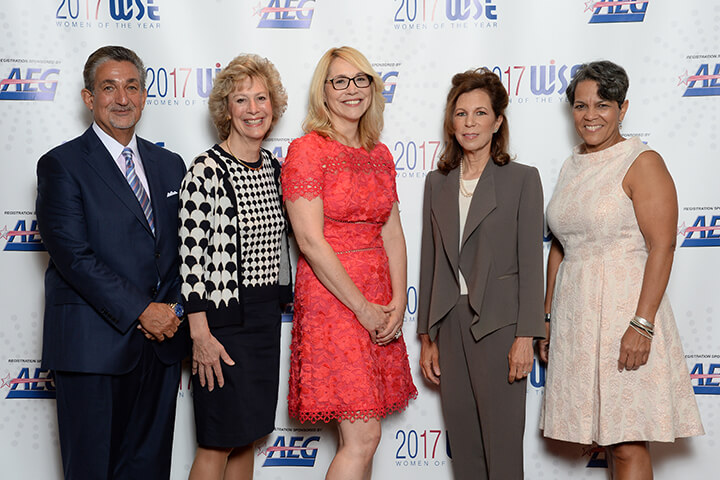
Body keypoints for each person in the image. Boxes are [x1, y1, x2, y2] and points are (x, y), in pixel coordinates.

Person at [539, 60, 704, 479]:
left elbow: (663, 245)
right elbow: (561, 245)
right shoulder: (572, 163)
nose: (590, 115)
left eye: (602, 105)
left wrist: (643, 324)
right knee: (604, 437)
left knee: (628, 441)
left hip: (624, 314)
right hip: (578, 317)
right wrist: (547, 316)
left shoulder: (642, 161)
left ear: (623, 108)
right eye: (580, 106)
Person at [35, 45, 187, 479]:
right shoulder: (61, 164)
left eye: (132, 87)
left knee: (149, 470)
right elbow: (73, 256)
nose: (122, 98)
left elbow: (182, 252)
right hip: (93, 350)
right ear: (88, 98)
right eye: (109, 87)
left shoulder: (169, 165)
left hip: (160, 350)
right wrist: (143, 311)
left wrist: (172, 313)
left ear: (144, 95)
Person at [281, 46, 417, 480]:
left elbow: (392, 233)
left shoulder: (379, 154)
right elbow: (310, 241)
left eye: (362, 80)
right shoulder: (307, 150)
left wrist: (397, 301)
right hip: (334, 301)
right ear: (324, 91)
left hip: (379, 297)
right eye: (340, 80)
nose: (352, 90)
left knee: (364, 438)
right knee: (362, 437)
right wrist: (362, 307)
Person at [417, 68, 545, 480]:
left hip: (501, 327)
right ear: (450, 122)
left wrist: (526, 335)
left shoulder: (522, 179)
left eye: (480, 113)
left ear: (498, 121)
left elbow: (531, 261)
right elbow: (431, 259)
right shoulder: (437, 182)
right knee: (467, 452)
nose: (469, 122)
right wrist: (427, 336)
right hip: (450, 328)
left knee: (503, 451)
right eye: (461, 113)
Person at [178, 54, 292, 480]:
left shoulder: (275, 171)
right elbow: (190, 261)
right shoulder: (204, 171)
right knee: (217, 440)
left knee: (247, 436)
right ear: (226, 110)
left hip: (263, 322)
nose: (253, 109)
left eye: (261, 98)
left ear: (274, 106)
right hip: (221, 326)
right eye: (241, 100)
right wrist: (200, 334)